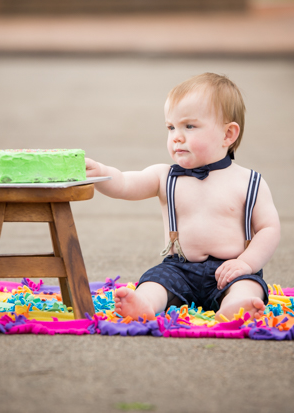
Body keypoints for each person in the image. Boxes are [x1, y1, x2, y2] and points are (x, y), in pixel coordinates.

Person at [85, 73, 280, 322]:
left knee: (247, 286)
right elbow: (124, 184)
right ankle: (144, 303)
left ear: (228, 135)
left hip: (230, 269)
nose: (176, 136)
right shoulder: (165, 177)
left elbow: (269, 228)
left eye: (189, 126)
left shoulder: (249, 181)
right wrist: (101, 172)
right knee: (156, 281)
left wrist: (246, 264)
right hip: (179, 268)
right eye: (171, 127)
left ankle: (236, 306)